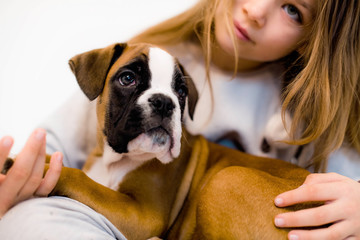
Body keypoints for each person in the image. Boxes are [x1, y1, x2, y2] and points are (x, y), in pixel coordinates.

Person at [1, 0, 359, 239]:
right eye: (129, 81)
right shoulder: (136, 53)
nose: (255, 10)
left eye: (293, 9)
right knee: (31, 219)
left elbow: (145, 220)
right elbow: (50, 148)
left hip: (276, 219)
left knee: (224, 187)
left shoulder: (309, 108)